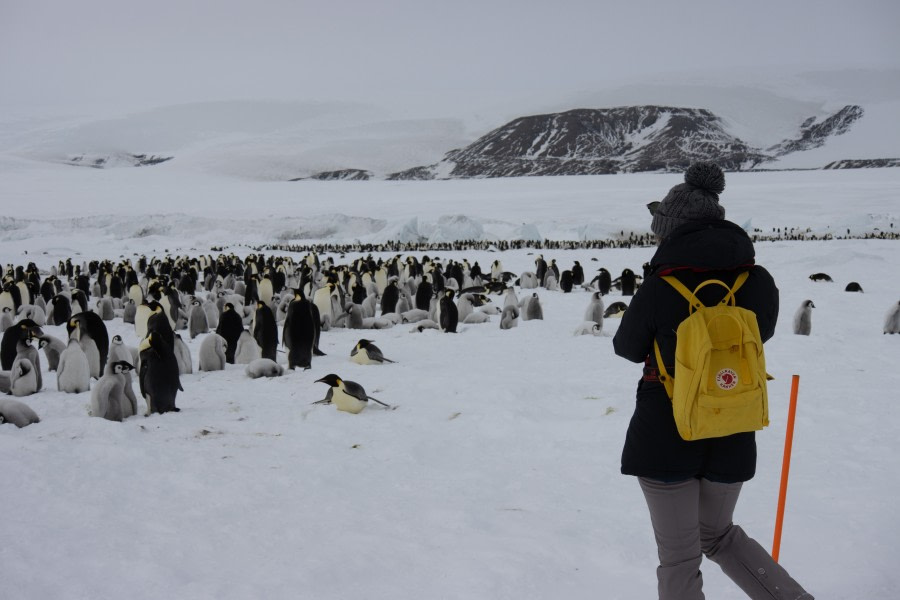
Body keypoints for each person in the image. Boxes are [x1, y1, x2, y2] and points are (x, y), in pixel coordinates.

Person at [612, 162, 813, 600]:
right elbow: (764, 334)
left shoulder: (662, 285)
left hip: (666, 430)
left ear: (671, 229)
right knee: (718, 535)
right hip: (733, 419)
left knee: (680, 556)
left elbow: (627, 348)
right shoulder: (757, 280)